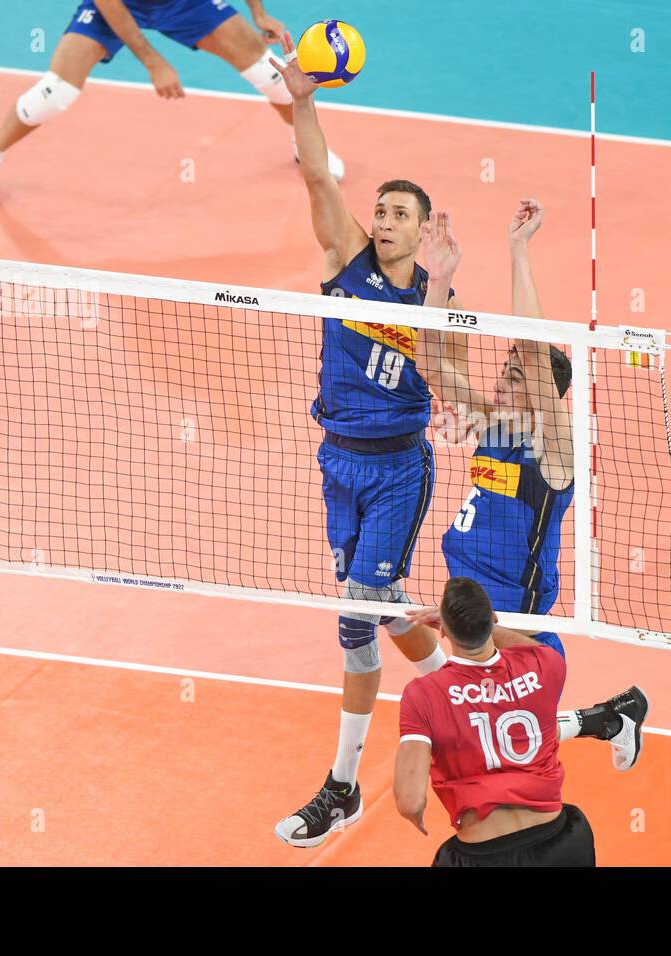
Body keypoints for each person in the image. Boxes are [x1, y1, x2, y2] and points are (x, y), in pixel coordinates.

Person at [268, 31, 461, 849]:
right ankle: (461, 686)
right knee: (379, 607)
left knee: (354, 616)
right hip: (336, 461)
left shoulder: (434, 291)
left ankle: (341, 786)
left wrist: (446, 287)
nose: (383, 220)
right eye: (379, 209)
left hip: (396, 471)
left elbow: (448, 377)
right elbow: (317, 173)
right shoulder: (345, 262)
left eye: (399, 214)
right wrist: (303, 103)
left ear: (422, 234)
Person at [414, 200, 648, 770]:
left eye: (517, 372)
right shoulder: (493, 423)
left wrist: (519, 252)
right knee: (486, 742)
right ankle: (612, 717)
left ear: (545, 391)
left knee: (495, 747)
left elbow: (536, 350)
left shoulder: (554, 450)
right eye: (506, 366)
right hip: (471, 604)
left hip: (518, 625)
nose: (504, 373)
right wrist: (439, 281)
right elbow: (428, 361)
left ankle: (611, 718)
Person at [0, 0, 344, 207]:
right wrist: (153, 61)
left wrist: (257, 11)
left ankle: (303, 143)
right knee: (54, 93)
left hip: (185, 3)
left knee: (272, 75)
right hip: (120, 4)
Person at [395, 577, 597, 866]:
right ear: (492, 618)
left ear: (445, 632)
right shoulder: (547, 664)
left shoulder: (423, 694)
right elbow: (529, 645)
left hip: (484, 854)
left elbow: (410, 801)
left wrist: (414, 817)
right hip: (561, 841)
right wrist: (484, 625)